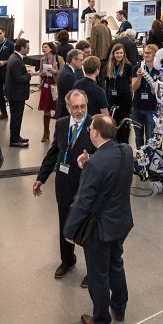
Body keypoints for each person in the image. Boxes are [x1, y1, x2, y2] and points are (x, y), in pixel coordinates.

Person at [63, 115, 133, 324]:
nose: (89, 131)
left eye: (90, 128)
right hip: (121, 222)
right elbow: (109, 170)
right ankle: (119, 306)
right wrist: (89, 161)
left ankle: (101, 322)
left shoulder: (96, 164)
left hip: (100, 230)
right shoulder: (125, 151)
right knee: (116, 263)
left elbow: (83, 201)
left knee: (98, 274)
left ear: (96, 132)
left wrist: (69, 230)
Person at [34, 90, 94, 282]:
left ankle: (93, 271)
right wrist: (41, 178)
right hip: (64, 183)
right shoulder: (60, 124)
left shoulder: (94, 125)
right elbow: (53, 153)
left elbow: (106, 155)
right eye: (75, 107)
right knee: (65, 225)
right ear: (68, 107)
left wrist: (90, 158)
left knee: (87, 229)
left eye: (83, 106)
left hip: (86, 187)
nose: (79, 110)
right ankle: (67, 260)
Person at [5, 38, 34, 147]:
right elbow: (19, 78)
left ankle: (16, 136)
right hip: (17, 94)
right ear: (22, 48)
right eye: (27, 48)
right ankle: (14, 140)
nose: (28, 49)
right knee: (16, 118)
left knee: (16, 117)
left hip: (14, 93)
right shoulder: (17, 60)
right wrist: (29, 75)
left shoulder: (14, 56)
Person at [131, 44, 159, 148]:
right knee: (138, 137)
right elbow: (133, 88)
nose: (146, 55)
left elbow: (160, 92)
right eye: (145, 52)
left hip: (151, 108)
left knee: (149, 137)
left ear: (155, 55)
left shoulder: (159, 70)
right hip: (137, 107)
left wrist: (155, 90)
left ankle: (148, 161)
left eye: (149, 53)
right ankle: (140, 161)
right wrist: (139, 78)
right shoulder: (136, 68)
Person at [38, 42, 64, 142]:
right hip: (46, 84)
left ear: (51, 48)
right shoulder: (42, 59)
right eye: (42, 47)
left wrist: (55, 71)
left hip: (56, 84)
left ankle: (58, 133)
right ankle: (46, 132)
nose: (43, 49)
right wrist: (42, 74)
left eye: (45, 47)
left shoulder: (59, 58)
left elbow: (64, 72)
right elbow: (40, 72)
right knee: (46, 109)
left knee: (58, 108)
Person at [0, 25, 15, 120]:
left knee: (9, 93)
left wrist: (5, 62)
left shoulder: (10, 45)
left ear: (4, 33)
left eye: (0, 33)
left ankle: (13, 112)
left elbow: (14, 58)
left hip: (7, 73)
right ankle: (3, 112)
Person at [105, 44, 133, 124]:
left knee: (123, 122)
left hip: (124, 99)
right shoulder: (109, 66)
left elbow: (131, 83)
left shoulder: (128, 66)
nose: (119, 55)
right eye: (117, 53)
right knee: (112, 122)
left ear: (124, 54)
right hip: (112, 98)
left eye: (121, 53)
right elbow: (107, 83)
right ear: (113, 54)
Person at [56, 49, 84, 119]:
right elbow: (71, 97)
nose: (82, 62)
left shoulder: (64, 70)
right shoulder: (68, 75)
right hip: (65, 112)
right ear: (73, 60)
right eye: (81, 60)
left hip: (61, 108)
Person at [89, 14, 112, 82]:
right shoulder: (107, 28)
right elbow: (111, 42)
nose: (91, 20)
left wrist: (90, 56)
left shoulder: (94, 28)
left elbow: (92, 44)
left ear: (95, 18)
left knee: (96, 77)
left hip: (97, 57)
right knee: (103, 77)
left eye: (91, 18)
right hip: (107, 56)